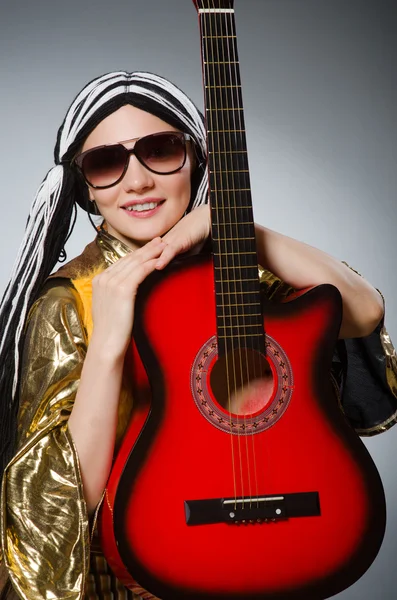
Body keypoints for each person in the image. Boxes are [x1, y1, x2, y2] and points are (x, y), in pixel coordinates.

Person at [0, 70, 396, 600]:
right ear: (84, 189)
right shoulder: (68, 299)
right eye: (106, 163)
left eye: (161, 150)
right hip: (133, 572)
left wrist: (240, 230)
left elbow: (363, 311)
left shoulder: (236, 276)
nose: (137, 181)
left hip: (265, 550)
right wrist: (111, 339)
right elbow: (69, 497)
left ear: (196, 159)